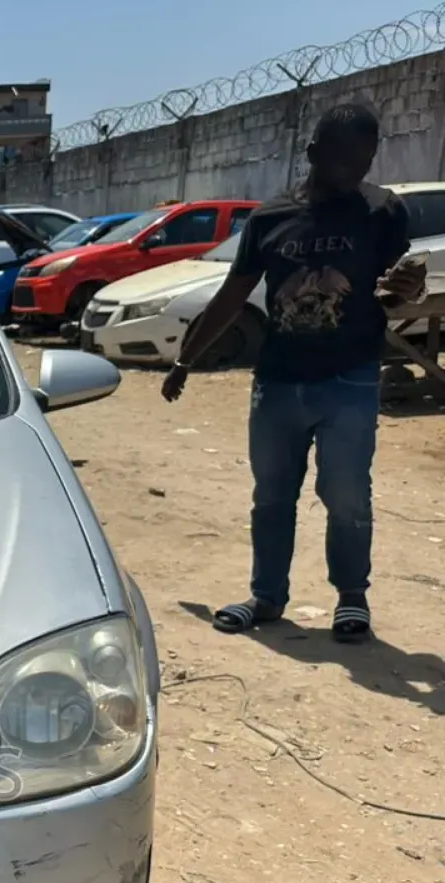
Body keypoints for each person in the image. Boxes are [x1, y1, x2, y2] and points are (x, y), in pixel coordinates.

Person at [161, 102, 427, 644]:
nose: (355, 169)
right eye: (344, 157)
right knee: (272, 494)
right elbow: (232, 294)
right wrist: (186, 359)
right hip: (278, 379)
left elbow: (399, 292)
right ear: (312, 153)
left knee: (346, 492)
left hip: (349, 376)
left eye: (365, 157)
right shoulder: (269, 218)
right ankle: (266, 597)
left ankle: (351, 597)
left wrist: (410, 289)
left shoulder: (382, 211)